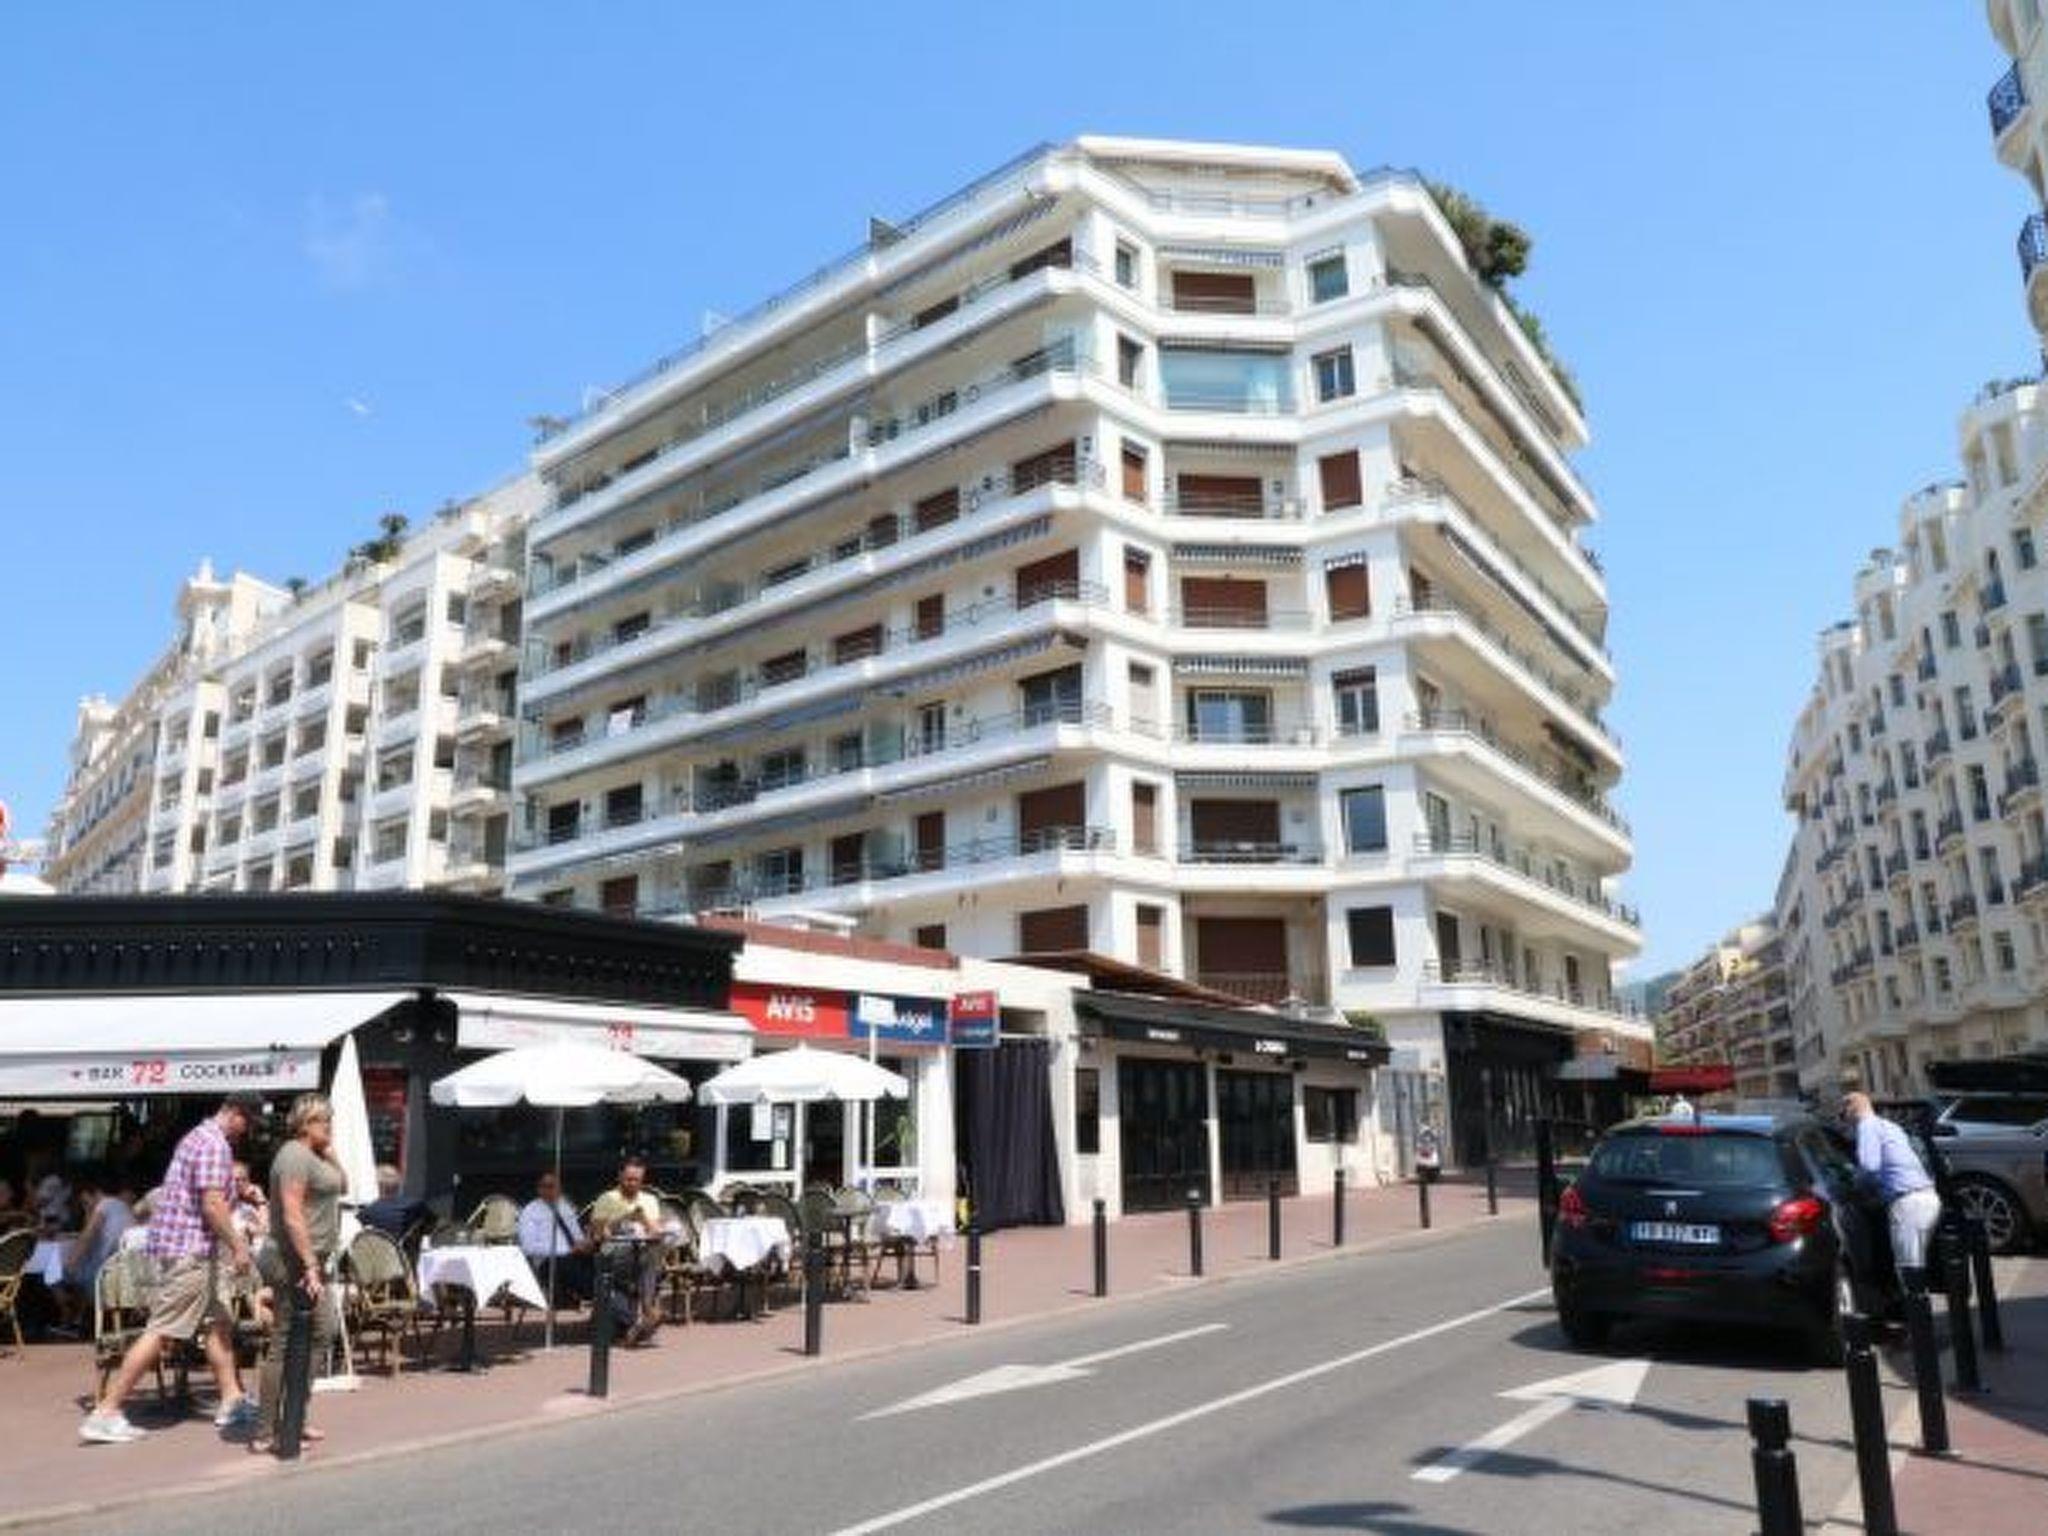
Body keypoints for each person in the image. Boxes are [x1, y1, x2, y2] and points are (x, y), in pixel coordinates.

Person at [80, 1092, 264, 1445]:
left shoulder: (196, 1137)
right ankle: (106, 1411)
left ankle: (232, 1400)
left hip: (189, 1250)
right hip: (192, 1252)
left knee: (219, 1322)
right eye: (250, 1123)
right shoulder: (214, 1145)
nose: (249, 1132)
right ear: (237, 1114)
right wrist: (238, 1245)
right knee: (163, 1330)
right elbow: (212, 1204)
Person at [253, 1094, 345, 1456]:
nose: (330, 1126)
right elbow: (292, 1215)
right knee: (285, 1338)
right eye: (324, 1121)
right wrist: (308, 1263)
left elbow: (343, 1185)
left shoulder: (315, 1155)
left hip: (312, 1260)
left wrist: (331, 1152)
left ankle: (294, 1415)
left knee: (322, 1332)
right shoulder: (293, 1156)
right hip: (291, 1260)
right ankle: (266, 1428)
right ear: (305, 1123)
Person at [1840, 1092, 1943, 1288]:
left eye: (1843, 1113)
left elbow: (1869, 1167)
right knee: (1917, 1265)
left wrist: (1852, 1183)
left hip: (1908, 1204)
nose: (1844, 1120)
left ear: (1851, 1108)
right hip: (1927, 1197)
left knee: (1908, 1269)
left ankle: (1918, 1306)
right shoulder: (1890, 1126)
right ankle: (1921, 1303)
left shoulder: (1867, 1126)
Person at [589, 1156, 665, 1344]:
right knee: (648, 1256)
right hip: (613, 1254)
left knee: (651, 1251)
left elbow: (655, 1233)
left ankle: (644, 1313)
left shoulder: (649, 1200)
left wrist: (643, 1219)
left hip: (641, 1254)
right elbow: (597, 1234)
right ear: (619, 1177)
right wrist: (624, 1218)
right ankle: (647, 1311)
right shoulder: (606, 1199)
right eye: (628, 1179)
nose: (632, 1184)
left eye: (637, 1180)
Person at [54, 1170, 135, 1333]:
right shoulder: (122, 1206)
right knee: (79, 1268)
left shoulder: (104, 1205)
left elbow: (87, 1236)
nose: (86, 1205)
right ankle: (80, 1319)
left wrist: (71, 1262)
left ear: (94, 1194)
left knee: (55, 1275)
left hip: (106, 1270)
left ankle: (69, 1319)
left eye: (85, 1201)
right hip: (123, 1268)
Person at [518, 1171, 595, 1308]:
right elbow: (528, 1247)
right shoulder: (530, 1211)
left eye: (554, 1186)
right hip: (547, 1261)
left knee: (600, 1259)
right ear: (539, 1189)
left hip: (573, 1255)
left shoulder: (565, 1207)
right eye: (546, 1186)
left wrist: (585, 1244)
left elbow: (577, 1236)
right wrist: (566, 1251)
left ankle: (601, 1298)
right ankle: (589, 1294)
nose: (550, 1190)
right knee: (567, 1265)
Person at [358, 1164, 433, 1240]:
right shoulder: (417, 1205)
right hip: (409, 1247)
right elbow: (432, 1227)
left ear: (379, 1186)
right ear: (399, 1184)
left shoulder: (368, 1212)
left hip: (381, 1247)